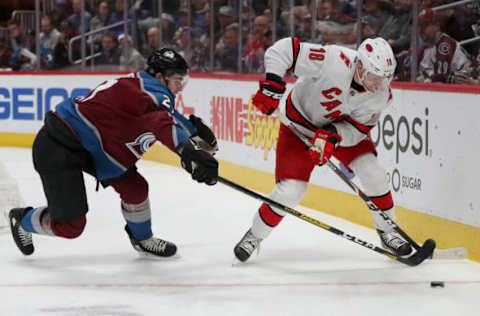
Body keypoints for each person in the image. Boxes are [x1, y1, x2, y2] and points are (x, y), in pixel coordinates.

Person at [9, 48, 219, 259]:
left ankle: (142, 239)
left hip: (97, 148)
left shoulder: (144, 87)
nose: (180, 87)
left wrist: (192, 130)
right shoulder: (155, 92)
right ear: (160, 77)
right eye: (176, 80)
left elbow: (163, 116)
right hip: (61, 142)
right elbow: (162, 122)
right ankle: (23, 219)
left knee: (135, 189)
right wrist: (189, 150)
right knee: (71, 226)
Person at [234, 36, 413, 262]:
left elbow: (358, 130)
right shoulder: (333, 60)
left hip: (337, 133)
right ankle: (255, 235)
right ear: (359, 66)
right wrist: (272, 84)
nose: (379, 84)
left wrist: (333, 136)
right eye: (375, 76)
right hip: (298, 126)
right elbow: (283, 50)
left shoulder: (381, 95)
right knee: (291, 191)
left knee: (373, 173)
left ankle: (388, 232)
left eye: (385, 78)